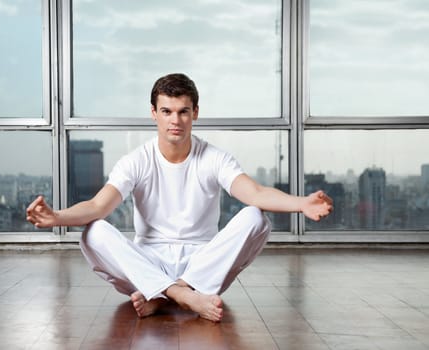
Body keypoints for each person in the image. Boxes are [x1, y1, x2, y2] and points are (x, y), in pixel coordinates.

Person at [26, 73, 333, 322]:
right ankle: (181, 295)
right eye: (167, 111)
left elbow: (254, 193)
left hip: (202, 265)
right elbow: (98, 206)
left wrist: (301, 203)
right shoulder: (137, 160)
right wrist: (57, 217)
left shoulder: (213, 157)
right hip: (148, 261)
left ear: (195, 113)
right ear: (154, 114)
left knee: (255, 216)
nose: (175, 120)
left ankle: (163, 295)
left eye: (183, 111)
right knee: (93, 231)